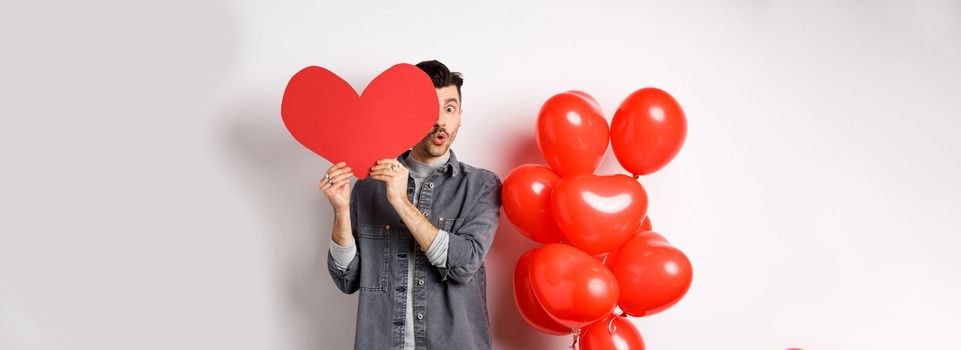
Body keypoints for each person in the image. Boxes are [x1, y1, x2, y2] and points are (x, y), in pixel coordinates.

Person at [320, 60, 502, 350]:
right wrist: (340, 209)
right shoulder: (368, 185)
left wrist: (401, 202)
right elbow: (348, 279)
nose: (441, 120)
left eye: (450, 109)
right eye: (429, 109)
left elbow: (463, 264)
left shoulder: (480, 185)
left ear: (460, 117)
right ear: (407, 115)